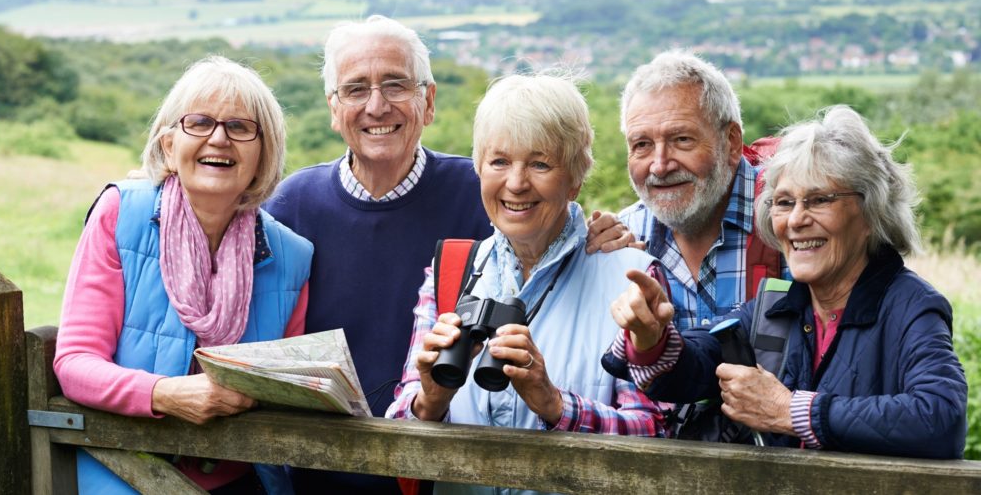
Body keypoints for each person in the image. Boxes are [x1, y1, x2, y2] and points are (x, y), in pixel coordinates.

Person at [264, 15, 629, 494]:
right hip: (319, 476)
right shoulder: (293, 205)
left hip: (435, 480)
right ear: (334, 108)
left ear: (428, 100)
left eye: (396, 84)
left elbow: (550, 222)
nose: (376, 105)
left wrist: (606, 237)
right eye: (355, 89)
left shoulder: (481, 194)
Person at [604, 105, 967, 458]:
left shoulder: (909, 304)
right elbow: (696, 369)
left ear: (871, 210)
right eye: (783, 202)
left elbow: (940, 419)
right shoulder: (778, 307)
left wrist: (788, 410)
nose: (796, 220)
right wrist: (651, 339)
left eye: (819, 200)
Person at [387, 72, 667, 494]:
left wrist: (554, 404)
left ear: (575, 175)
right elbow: (398, 434)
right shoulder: (451, 270)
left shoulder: (630, 277)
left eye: (539, 163)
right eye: (499, 161)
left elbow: (656, 435)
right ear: (479, 169)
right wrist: (429, 400)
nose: (516, 183)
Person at [54, 56, 312, 493]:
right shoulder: (122, 215)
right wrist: (167, 394)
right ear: (169, 144)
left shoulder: (292, 255)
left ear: (264, 154)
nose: (219, 138)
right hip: (123, 465)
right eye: (200, 123)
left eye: (240, 127)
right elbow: (75, 364)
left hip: (240, 476)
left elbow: (291, 390)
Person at [617, 49, 786, 331]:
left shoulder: (793, 222)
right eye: (642, 145)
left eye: (682, 139)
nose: (660, 166)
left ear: (731, 142)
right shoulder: (620, 242)